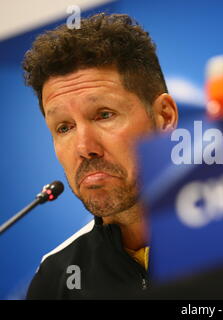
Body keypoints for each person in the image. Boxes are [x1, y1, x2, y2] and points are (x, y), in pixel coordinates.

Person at [23, 13, 178, 299]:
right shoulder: (54, 278)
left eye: (104, 114)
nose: (84, 147)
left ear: (164, 117)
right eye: (64, 127)